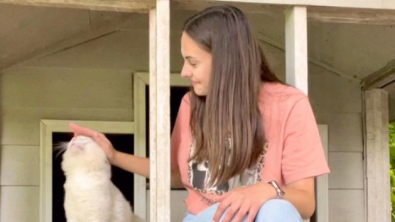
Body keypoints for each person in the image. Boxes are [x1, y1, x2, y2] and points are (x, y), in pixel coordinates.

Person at [70, 5, 330, 222]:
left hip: (262, 217)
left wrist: (264, 191)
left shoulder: (289, 105)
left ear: (227, 61)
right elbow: (173, 173)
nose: (184, 71)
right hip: (205, 218)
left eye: (192, 62)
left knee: (277, 210)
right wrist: (113, 155)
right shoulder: (191, 105)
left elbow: (305, 202)